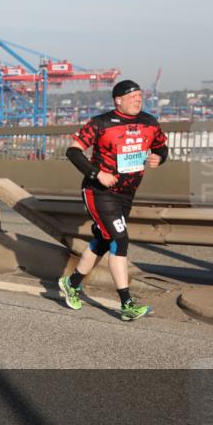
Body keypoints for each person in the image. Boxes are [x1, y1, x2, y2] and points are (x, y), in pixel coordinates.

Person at [59, 79, 168, 322]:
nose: (138, 99)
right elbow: (73, 151)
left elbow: (162, 148)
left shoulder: (149, 122)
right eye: (133, 96)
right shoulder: (102, 123)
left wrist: (158, 159)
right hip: (99, 192)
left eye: (140, 95)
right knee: (120, 240)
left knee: (104, 241)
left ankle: (72, 283)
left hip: (127, 194)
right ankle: (126, 304)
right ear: (118, 99)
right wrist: (97, 174)